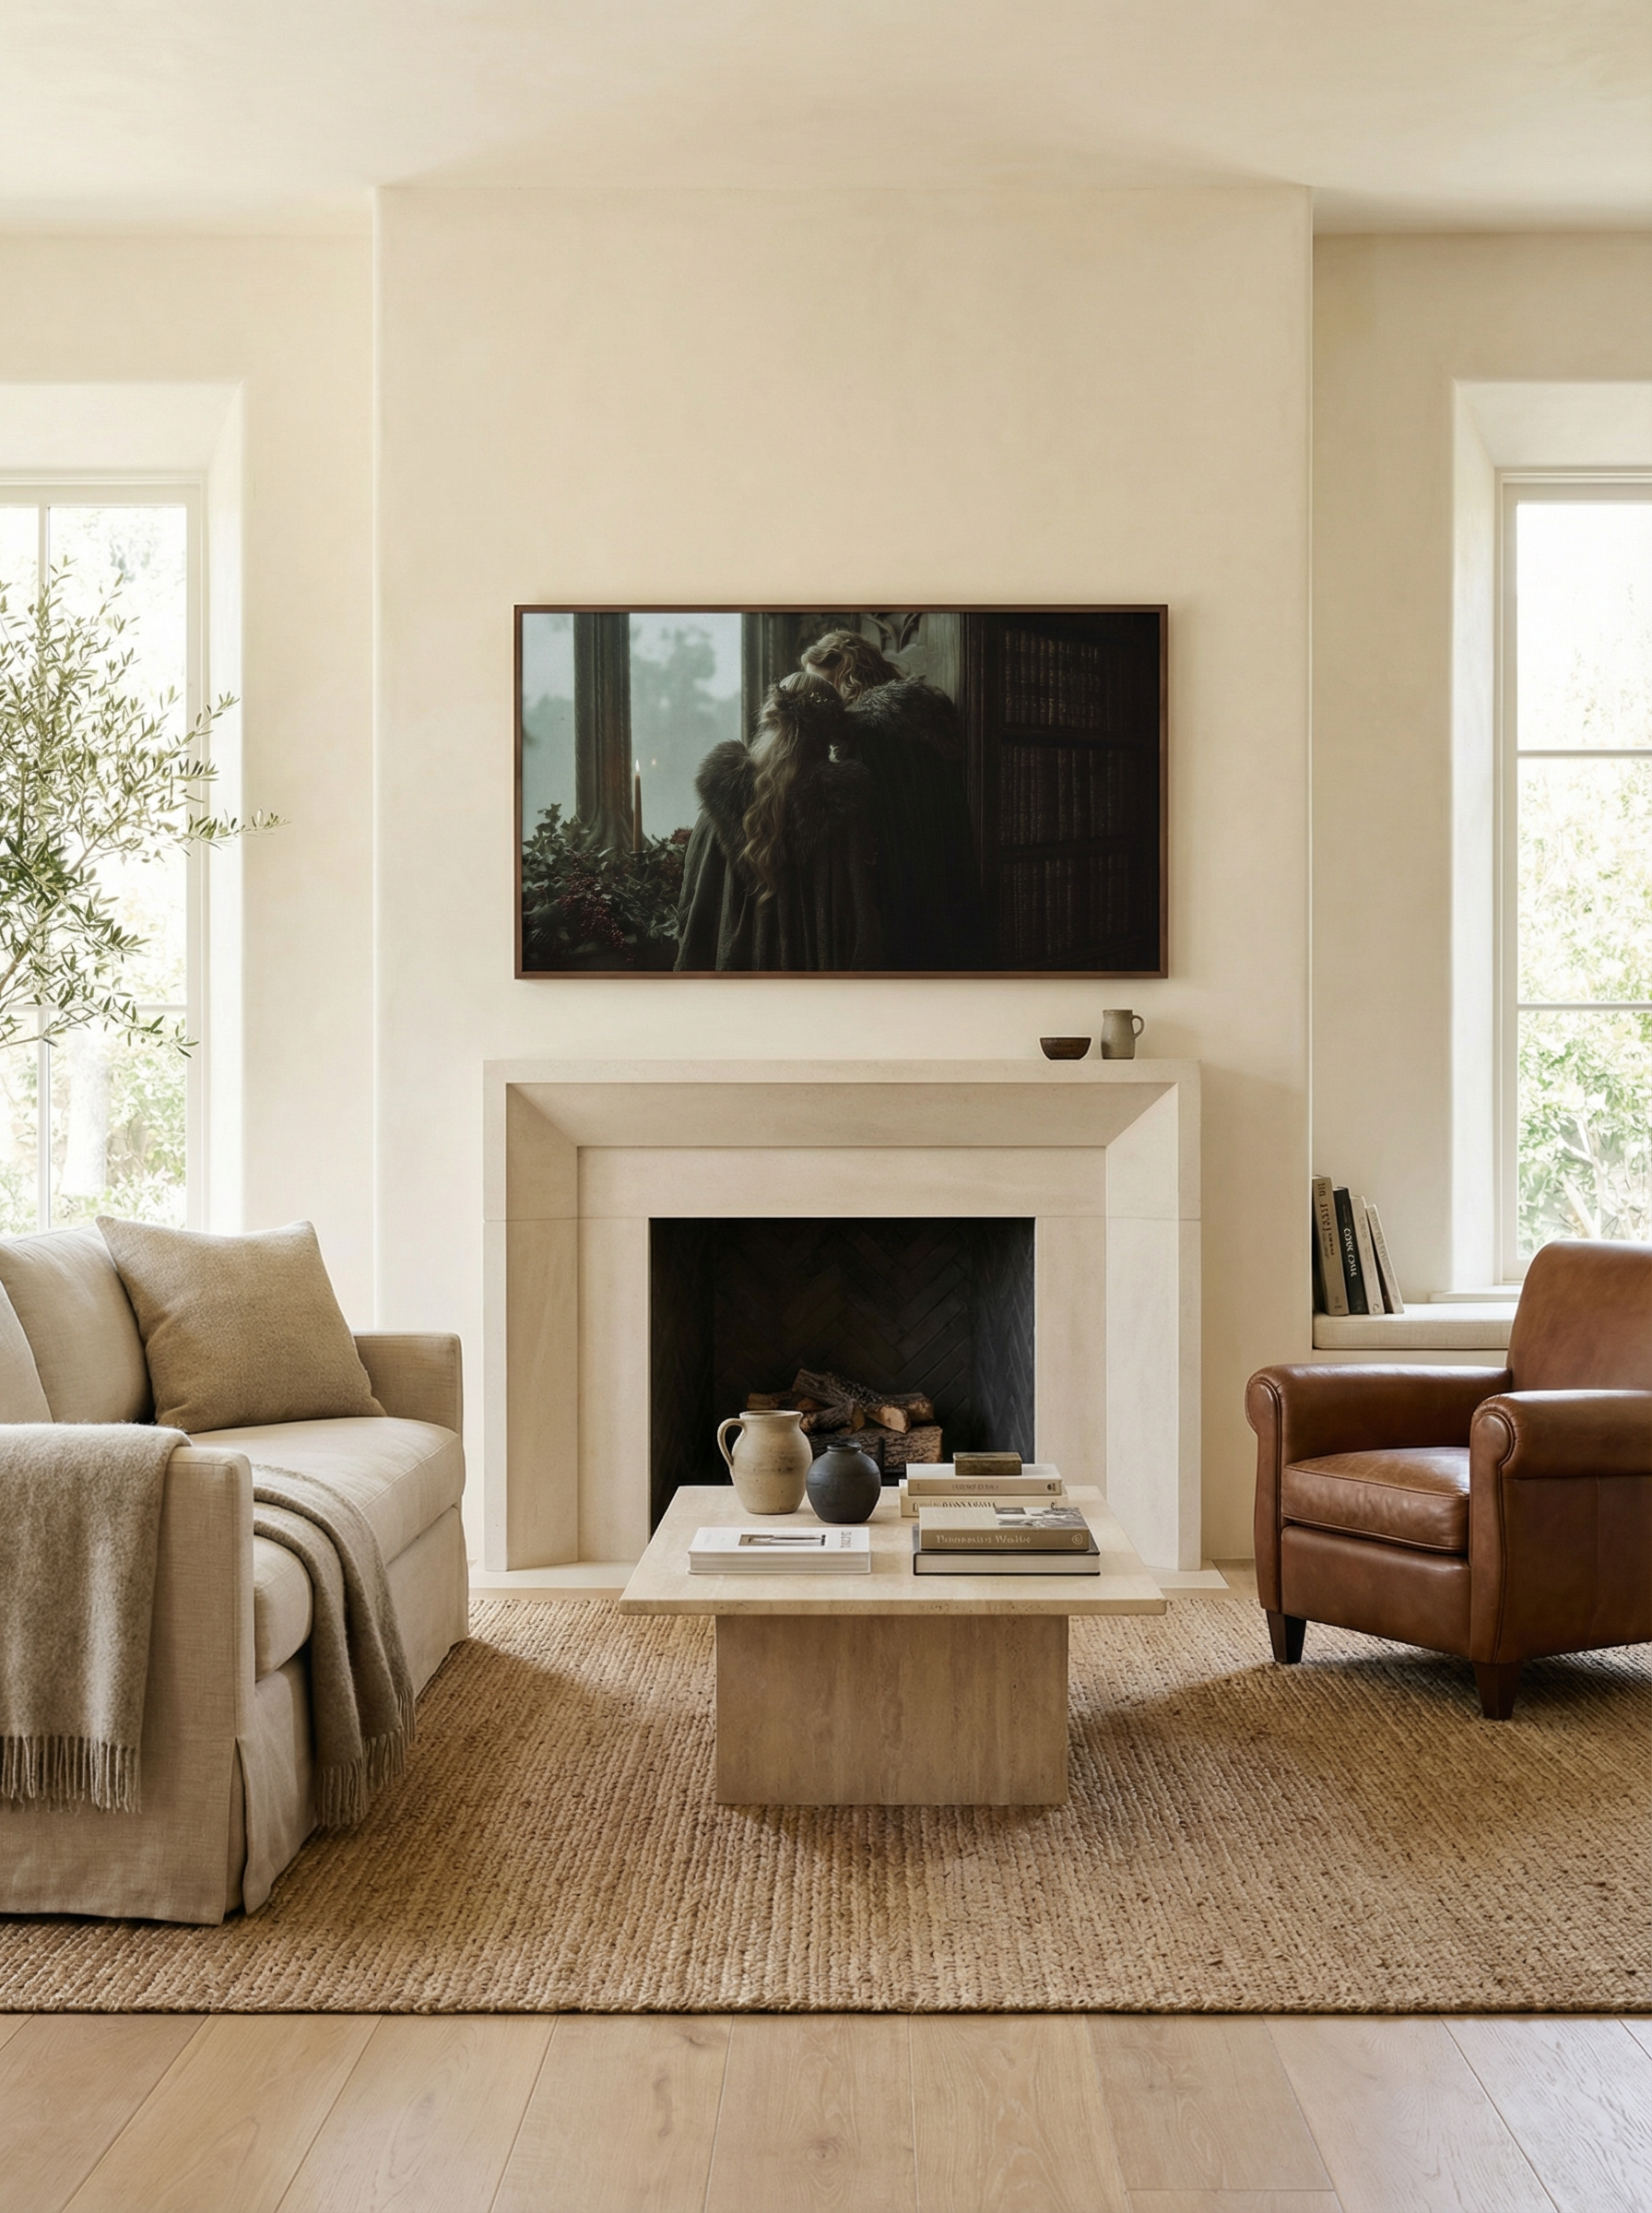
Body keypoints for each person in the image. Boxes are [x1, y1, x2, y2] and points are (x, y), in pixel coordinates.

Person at [801, 630, 987, 970]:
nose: (820, 702)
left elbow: (873, 820)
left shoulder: (868, 731)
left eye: (824, 688)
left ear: (847, 676)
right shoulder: (919, 715)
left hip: (898, 869)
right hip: (940, 861)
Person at [674, 672, 883, 970]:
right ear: (829, 731)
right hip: (809, 971)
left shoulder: (722, 794)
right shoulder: (841, 804)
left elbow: (693, 898)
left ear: (770, 717)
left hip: (734, 971)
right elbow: (858, 908)